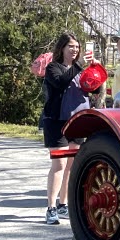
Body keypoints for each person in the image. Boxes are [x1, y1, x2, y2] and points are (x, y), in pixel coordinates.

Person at [41, 32, 92, 225]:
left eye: (77, 47)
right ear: (61, 48)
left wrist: (93, 70)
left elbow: (93, 88)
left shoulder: (80, 69)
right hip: (57, 122)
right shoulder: (53, 67)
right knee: (59, 165)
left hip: (78, 122)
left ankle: (64, 204)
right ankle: (51, 208)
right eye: (71, 46)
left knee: (71, 165)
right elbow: (61, 82)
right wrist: (79, 67)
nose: (75, 50)